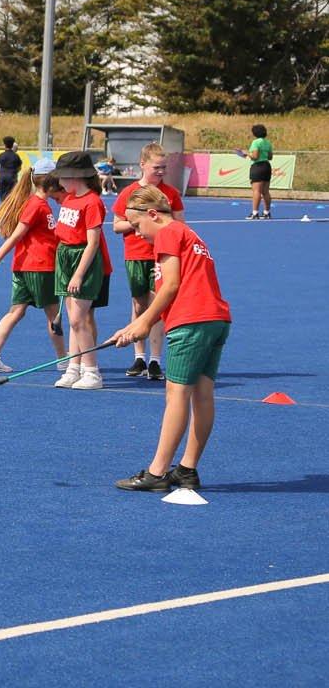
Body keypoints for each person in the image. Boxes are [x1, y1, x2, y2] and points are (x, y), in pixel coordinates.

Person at [108, 186, 231, 492]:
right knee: (202, 395)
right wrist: (133, 326)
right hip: (214, 319)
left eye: (137, 226)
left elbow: (172, 284)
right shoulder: (188, 234)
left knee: (176, 395)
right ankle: (187, 469)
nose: (137, 234)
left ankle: (157, 472)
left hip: (191, 322)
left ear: (152, 214)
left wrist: (145, 322)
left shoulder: (167, 233)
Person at [0, 160, 66, 374]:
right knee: (54, 314)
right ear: (52, 181)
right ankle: (65, 360)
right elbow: (16, 235)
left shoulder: (41, 204)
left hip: (27, 267)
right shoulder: (36, 205)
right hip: (39, 267)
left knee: (16, 312)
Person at [113, 143, 186, 381]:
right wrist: (137, 223)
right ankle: (139, 356)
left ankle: (155, 359)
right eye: (157, 167)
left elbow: (179, 224)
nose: (161, 172)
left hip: (161, 256)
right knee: (138, 305)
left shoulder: (170, 193)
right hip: (135, 254)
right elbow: (116, 225)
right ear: (142, 164)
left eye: (164, 167)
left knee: (158, 304)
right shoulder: (129, 192)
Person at [52, 151, 113, 390]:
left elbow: (93, 242)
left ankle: (92, 371)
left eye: (63, 177)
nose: (59, 182)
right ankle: (73, 368)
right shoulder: (68, 199)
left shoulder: (92, 202)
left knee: (79, 319)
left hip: (83, 260)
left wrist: (78, 273)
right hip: (66, 257)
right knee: (72, 320)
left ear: (75, 177)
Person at [244, 123, 273, 219]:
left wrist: (246, 153)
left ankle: (255, 213)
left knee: (256, 191)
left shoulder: (256, 142)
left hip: (258, 166)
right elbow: (270, 157)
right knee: (266, 191)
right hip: (266, 166)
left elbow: (255, 156)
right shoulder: (268, 142)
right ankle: (266, 212)